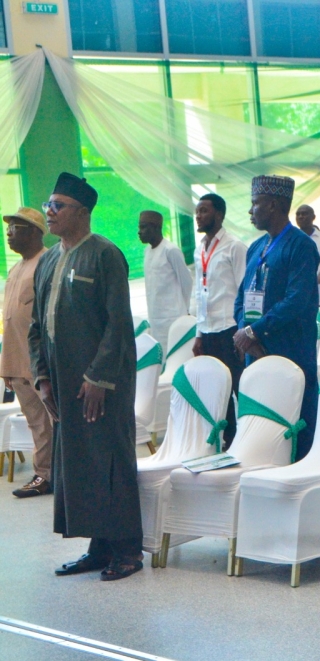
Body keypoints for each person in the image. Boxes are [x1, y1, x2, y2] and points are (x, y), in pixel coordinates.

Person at [30, 173, 143, 580]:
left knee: (109, 458)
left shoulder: (105, 255)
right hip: (62, 383)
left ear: (82, 212)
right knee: (81, 463)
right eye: (48, 204)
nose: (49, 212)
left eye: (57, 206)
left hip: (102, 384)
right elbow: (36, 324)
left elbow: (118, 325)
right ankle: (99, 546)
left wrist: (99, 377)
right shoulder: (49, 259)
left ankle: (128, 550)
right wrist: (42, 377)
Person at [234, 176, 319, 461]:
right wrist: (245, 334)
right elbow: (241, 298)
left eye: (255, 204)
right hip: (254, 352)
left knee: (292, 425)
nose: (250, 211)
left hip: (289, 349)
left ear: (273, 205)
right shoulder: (256, 247)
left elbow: (297, 300)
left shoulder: (302, 246)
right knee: (260, 425)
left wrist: (254, 332)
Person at [2, 207, 53, 498]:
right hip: (17, 362)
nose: (9, 234)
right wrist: (6, 365)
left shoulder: (46, 262)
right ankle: (44, 473)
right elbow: (10, 321)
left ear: (35, 232)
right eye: (8, 228)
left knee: (48, 423)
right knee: (37, 423)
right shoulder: (15, 268)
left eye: (16, 228)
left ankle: (47, 475)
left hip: (39, 363)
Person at [190, 193, 247, 449]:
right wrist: (198, 335)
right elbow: (199, 292)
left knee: (237, 386)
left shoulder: (234, 246)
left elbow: (244, 291)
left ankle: (247, 438)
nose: (198, 216)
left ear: (219, 214)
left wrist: (244, 332)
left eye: (204, 211)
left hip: (230, 328)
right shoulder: (199, 248)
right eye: (197, 211)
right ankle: (227, 438)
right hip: (209, 329)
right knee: (218, 389)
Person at [138, 210, 193, 350]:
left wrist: (184, 310)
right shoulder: (147, 252)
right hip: (156, 320)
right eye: (139, 227)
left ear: (156, 227)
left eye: (143, 227)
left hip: (173, 318)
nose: (139, 232)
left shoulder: (170, 250)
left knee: (176, 355)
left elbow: (186, 281)